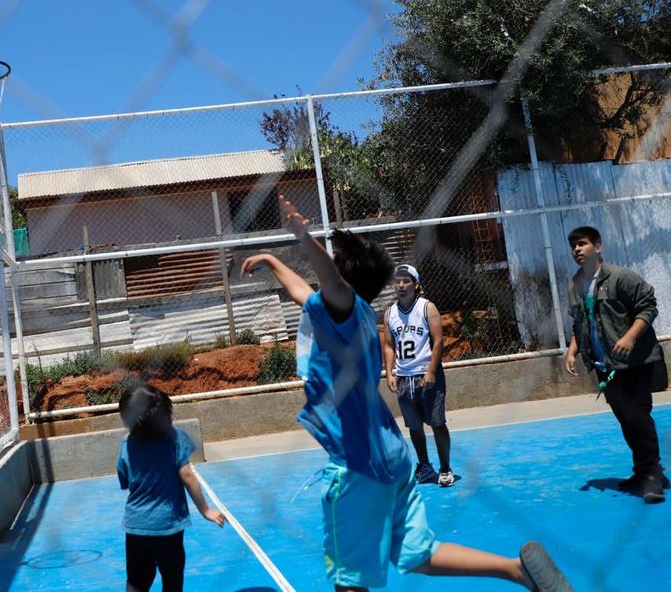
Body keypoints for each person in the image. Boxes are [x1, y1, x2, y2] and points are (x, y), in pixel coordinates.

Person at [240, 195, 571, 591]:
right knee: (420, 555)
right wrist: (271, 260)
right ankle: (516, 570)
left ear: (343, 280)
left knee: (350, 581)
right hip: (392, 457)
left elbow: (331, 281)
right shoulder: (351, 313)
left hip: (358, 466)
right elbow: (302, 289)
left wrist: (303, 237)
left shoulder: (345, 312)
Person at [563, 225, 667, 504]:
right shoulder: (576, 285)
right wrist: (572, 351)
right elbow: (579, 322)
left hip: (633, 363)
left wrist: (630, 337)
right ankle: (642, 470)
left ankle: (653, 474)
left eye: (582, 244)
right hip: (605, 366)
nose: (577, 249)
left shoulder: (620, 277)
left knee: (638, 416)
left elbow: (648, 306)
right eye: (573, 246)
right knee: (625, 418)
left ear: (598, 247)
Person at [117, 383, 226, 592]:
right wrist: (206, 510)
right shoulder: (176, 438)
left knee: (137, 581)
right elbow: (187, 475)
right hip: (168, 525)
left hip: (137, 526)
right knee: (172, 578)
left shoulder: (127, 444)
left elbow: (124, 479)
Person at [382, 264, 455, 487]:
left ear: (416, 285)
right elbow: (388, 345)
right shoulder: (390, 313)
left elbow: (438, 341)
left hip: (427, 375)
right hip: (404, 377)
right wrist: (389, 373)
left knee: (437, 422)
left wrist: (431, 371)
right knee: (414, 426)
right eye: (397, 281)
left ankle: (445, 468)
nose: (401, 285)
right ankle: (424, 466)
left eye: (406, 280)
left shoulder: (427, 308)